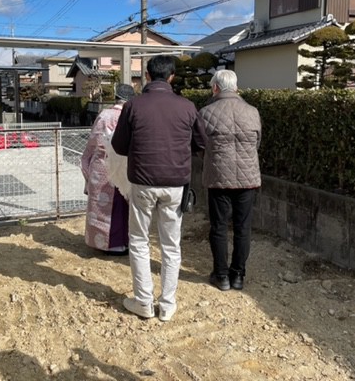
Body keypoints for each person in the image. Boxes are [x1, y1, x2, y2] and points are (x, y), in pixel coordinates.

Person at [111, 55, 207, 322]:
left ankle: (143, 301)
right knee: (171, 245)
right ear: (172, 76)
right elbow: (201, 144)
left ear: (148, 76)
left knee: (139, 241)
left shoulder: (133, 106)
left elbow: (119, 146)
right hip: (175, 184)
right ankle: (167, 304)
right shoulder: (187, 107)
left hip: (142, 181)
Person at [199, 69, 261, 291]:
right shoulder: (252, 111)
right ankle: (238, 276)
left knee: (219, 227)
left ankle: (221, 275)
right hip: (248, 178)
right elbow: (257, 142)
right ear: (236, 87)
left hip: (218, 177)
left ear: (215, 87)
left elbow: (199, 144)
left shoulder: (205, 112)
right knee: (243, 228)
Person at [81, 83, 135, 255]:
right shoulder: (132, 114)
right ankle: (126, 242)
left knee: (103, 207)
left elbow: (94, 142)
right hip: (125, 165)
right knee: (124, 205)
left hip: (103, 164)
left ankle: (105, 243)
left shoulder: (104, 115)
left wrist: (87, 163)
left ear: (116, 97)